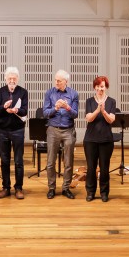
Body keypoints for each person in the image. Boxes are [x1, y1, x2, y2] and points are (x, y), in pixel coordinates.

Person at [0, 67, 28, 199]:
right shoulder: (0, 92)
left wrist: (17, 110)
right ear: (6, 79)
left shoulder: (23, 92)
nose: (12, 81)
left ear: (17, 79)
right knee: (5, 160)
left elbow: (25, 111)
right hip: (3, 130)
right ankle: (6, 187)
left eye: (14, 78)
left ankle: (18, 188)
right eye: (10, 78)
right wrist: (4, 107)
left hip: (18, 130)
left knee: (18, 161)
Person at [43, 69, 79, 199]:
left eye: (59, 81)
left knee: (68, 162)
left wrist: (67, 107)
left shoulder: (73, 94)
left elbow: (75, 114)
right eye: (55, 80)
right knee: (50, 162)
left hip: (68, 130)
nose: (56, 82)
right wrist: (56, 108)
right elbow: (45, 113)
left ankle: (66, 188)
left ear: (66, 82)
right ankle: (51, 188)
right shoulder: (50, 93)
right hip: (53, 129)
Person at [83, 75, 117, 202]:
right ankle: (90, 192)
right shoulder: (89, 101)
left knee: (104, 168)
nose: (100, 89)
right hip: (90, 139)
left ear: (106, 87)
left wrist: (104, 112)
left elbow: (111, 120)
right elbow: (88, 118)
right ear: (94, 87)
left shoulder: (111, 101)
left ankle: (104, 193)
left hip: (106, 140)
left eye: (102, 86)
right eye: (97, 86)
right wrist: (98, 110)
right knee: (91, 168)